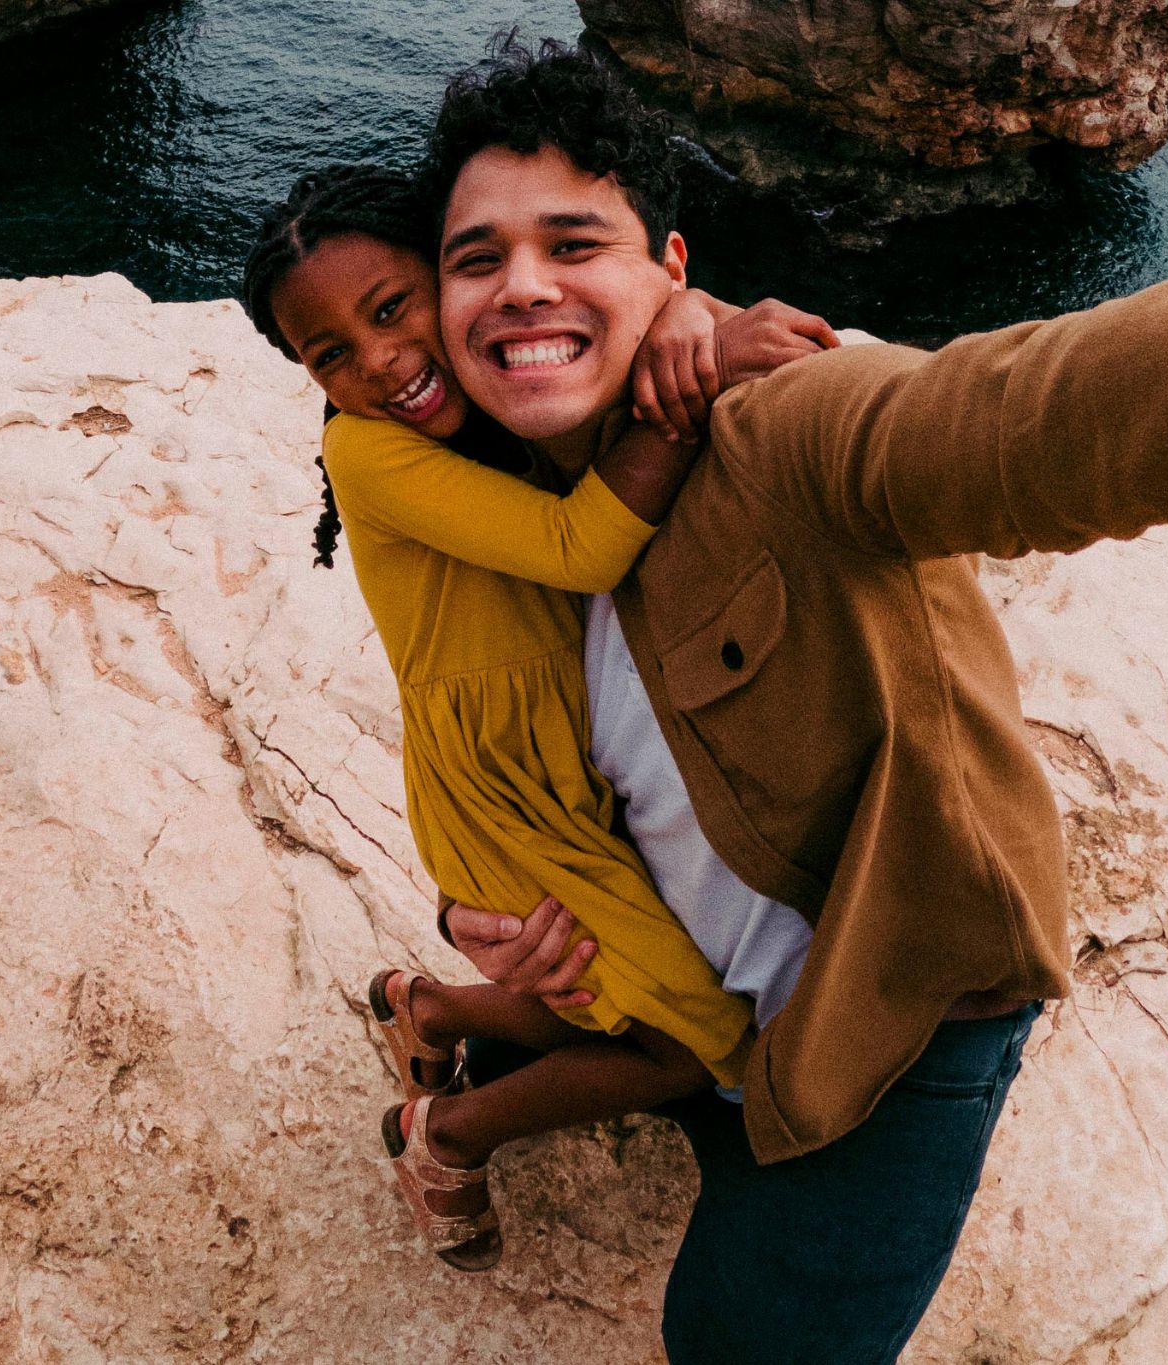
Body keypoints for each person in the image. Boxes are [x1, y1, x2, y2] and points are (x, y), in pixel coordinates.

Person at [420, 35, 1168, 1362]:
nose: (521, 287)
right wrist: (471, 907)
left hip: (885, 1014)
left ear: (666, 267)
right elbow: (472, 750)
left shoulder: (779, 431)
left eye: (573, 243)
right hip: (688, 974)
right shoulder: (479, 505)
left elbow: (1046, 413)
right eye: (475, 259)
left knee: (734, 1339)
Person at [238, 163, 839, 1270]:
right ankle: (445, 1136)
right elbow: (581, 546)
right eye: (329, 354)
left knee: (610, 974)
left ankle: (430, 1013)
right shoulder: (363, 448)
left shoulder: (500, 402)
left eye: (390, 309)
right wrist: (693, 383)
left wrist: (690, 315)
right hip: (497, 785)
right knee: (687, 1041)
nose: (377, 360)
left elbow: (635, 311)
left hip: (561, 753)